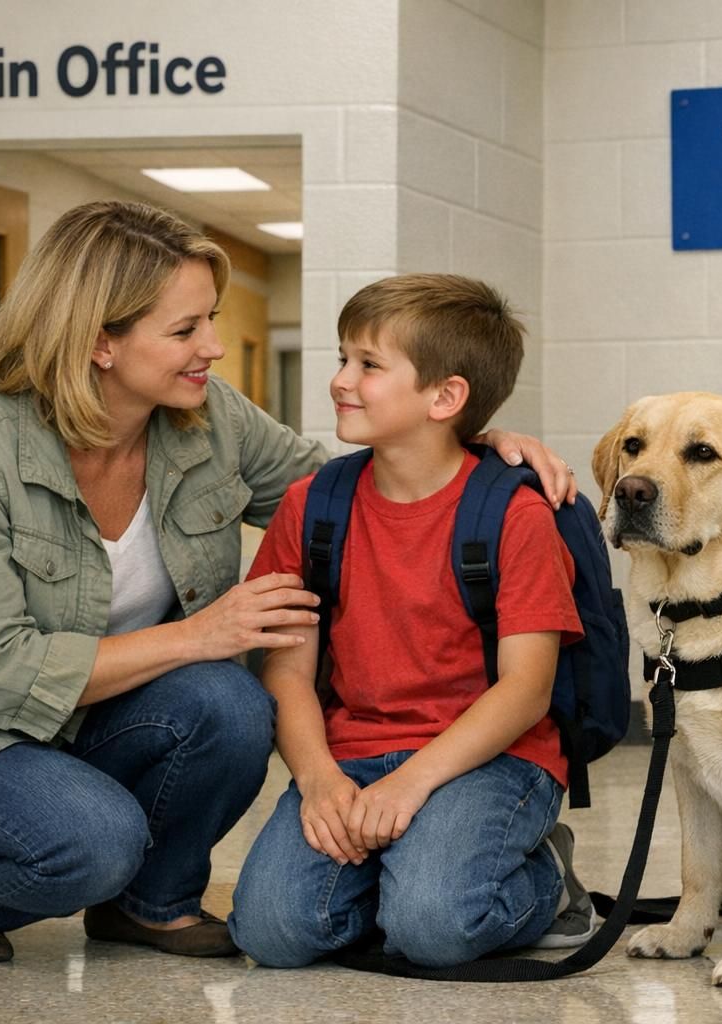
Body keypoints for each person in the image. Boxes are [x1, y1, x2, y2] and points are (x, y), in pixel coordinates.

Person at [0, 202, 576, 964]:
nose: (214, 348)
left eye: (210, 320)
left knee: (229, 703)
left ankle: (150, 906)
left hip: (93, 727)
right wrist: (200, 635)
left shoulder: (207, 418)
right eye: (186, 330)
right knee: (98, 840)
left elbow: (361, 488)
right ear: (100, 344)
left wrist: (472, 441)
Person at [229, 273, 598, 969]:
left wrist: (411, 783)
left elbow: (526, 690)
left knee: (434, 927)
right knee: (273, 932)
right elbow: (286, 670)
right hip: (352, 753)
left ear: (445, 397)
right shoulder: (312, 507)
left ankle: (548, 882)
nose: (341, 380)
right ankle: (401, 874)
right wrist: (318, 780)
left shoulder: (513, 516)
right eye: (343, 358)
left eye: (368, 365)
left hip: (489, 758)